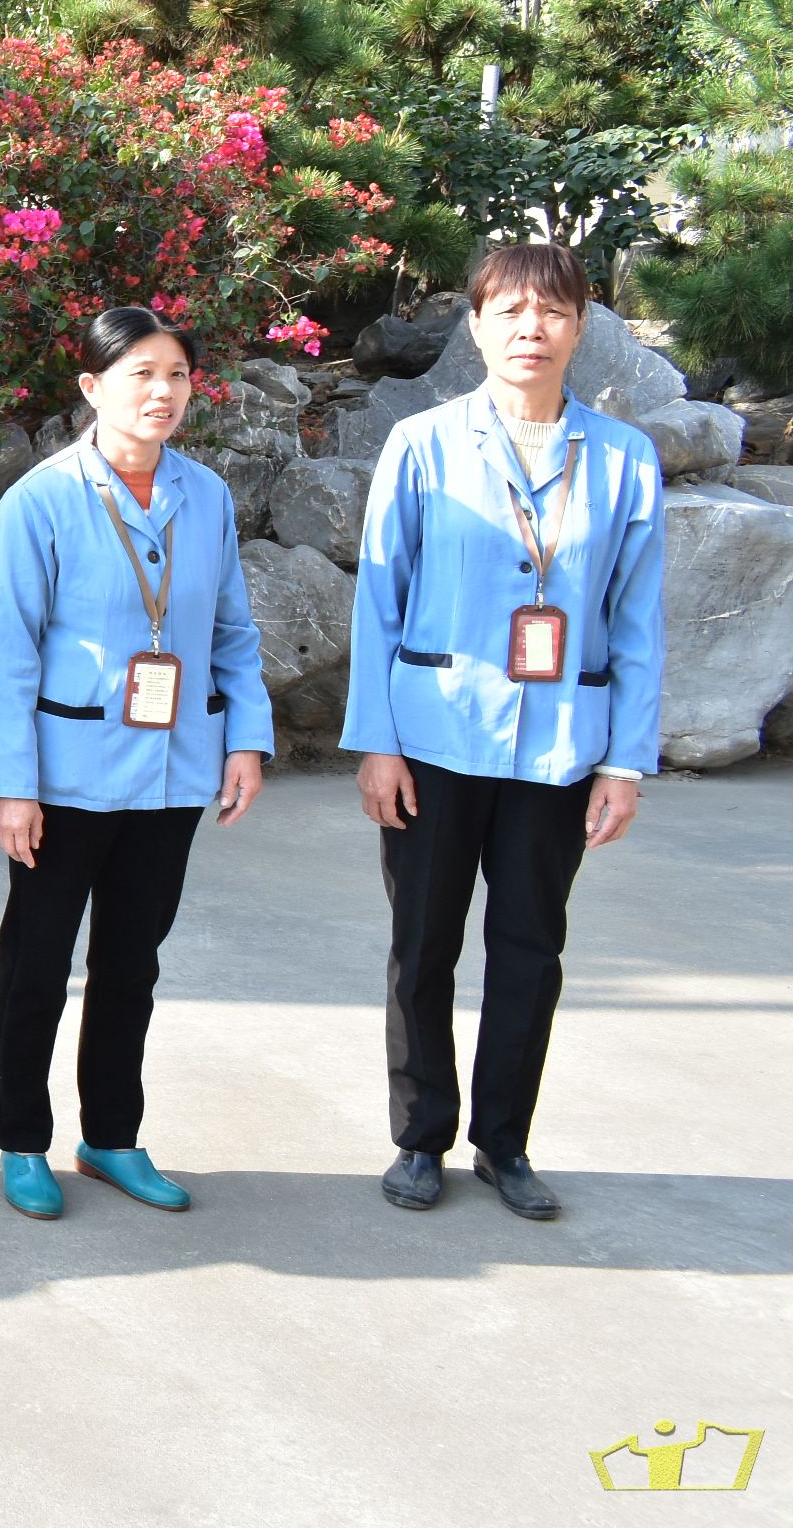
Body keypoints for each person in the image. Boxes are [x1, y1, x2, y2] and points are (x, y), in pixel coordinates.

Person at [341, 242, 663, 1222]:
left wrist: (624, 760)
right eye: (511, 311)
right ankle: (420, 1136)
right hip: (435, 739)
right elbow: (379, 602)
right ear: (475, 326)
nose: (532, 329)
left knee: (529, 947)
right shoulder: (423, 443)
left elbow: (637, 619)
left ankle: (504, 1141)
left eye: (552, 312)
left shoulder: (623, 458)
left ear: (580, 326)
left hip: (559, 745)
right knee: (423, 943)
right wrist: (376, 742)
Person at [0, 305, 272, 1220]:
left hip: (171, 773)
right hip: (66, 778)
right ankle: (22, 1142)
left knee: (131, 962)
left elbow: (231, 631)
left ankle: (111, 1136)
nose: (162, 392)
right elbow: (8, 655)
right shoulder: (41, 500)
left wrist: (246, 739)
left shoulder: (206, 496)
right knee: (37, 964)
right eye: (140, 373)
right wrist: (13, 787)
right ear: (92, 387)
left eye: (176, 374)